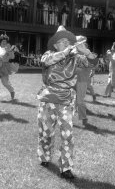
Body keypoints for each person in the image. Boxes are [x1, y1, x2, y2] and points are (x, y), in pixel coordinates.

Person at [36, 25, 97, 179]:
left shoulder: (76, 58)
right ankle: (44, 157)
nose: (65, 43)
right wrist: (64, 53)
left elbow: (93, 63)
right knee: (46, 132)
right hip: (48, 99)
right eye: (61, 41)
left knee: (67, 135)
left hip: (66, 101)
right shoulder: (49, 54)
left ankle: (66, 167)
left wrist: (86, 52)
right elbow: (46, 61)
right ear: (55, 45)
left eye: (67, 41)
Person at [75, 35, 98, 126]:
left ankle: (83, 117)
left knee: (80, 101)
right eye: (77, 43)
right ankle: (66, 118)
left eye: (81, 43)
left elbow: (93, 63)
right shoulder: (73, 53)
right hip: (71, 81)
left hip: (82, 81)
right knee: (70, 101)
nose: (78, 45)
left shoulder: (87, 55)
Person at [0, 34, 15, 100]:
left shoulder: (8, 48)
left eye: (5, 41)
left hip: (5, 67)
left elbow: (12, 57)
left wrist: (9, 51)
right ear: (0, 41)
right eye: (3, 41)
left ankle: (12, 91)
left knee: (5, 83)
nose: (4, 42)